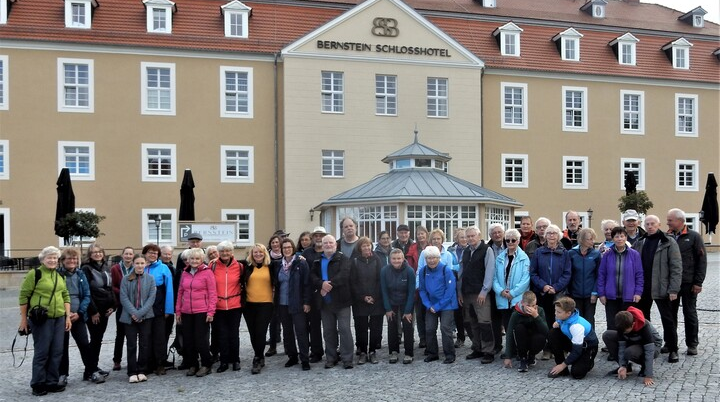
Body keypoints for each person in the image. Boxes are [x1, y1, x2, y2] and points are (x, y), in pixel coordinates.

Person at [18, 246, 72, 396]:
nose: (53, 260)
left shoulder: (60, 276)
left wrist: (67, 317)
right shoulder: (34, 274)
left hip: (59, 318)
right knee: (42, 352)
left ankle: (51, 381)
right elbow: (23, 296)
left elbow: (65, 296)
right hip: (42, 319)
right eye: (50, 257)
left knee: (57, 352)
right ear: (43, 259)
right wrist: (23, 320)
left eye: (55, 258)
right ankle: (38, 383)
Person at [633, 215, 682, 363]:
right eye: (647, 224)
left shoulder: (669, 242)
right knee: (643, 319)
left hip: (662, 288)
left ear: (658, 224)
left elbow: (676, 267)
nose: (650, 226)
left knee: (668, 319)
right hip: (643, 288)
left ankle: (673, 349)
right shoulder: (640, 242)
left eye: (653, 223)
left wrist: (674, 289)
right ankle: (647, 346)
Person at [666, 208, 706, 356]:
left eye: (670, 220)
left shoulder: (694, 237)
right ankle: (670, 343)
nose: (667, 222)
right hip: (671, 283)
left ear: (680, 221)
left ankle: (692, 344)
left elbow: (702, 261)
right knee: (670, 315)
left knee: (689, 313)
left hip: (689, 283)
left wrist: (698, 282)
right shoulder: (667, 236)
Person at [310, 234, 354, 369]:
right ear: (322, 246)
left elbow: (344, 275)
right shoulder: (317, 261)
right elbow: (312, 276)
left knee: (344, 330)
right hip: (325, 302)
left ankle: (347, 358)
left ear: (335, 245)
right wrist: (321, 284)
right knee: (328, 331)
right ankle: (331, 357)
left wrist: (328, 286)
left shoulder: (343, 258)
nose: (328, 245)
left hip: (342, 301)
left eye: (331, 243)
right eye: (326, 243)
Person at [529, 224, 571, 360]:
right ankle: (547, 348)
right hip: (542, 292)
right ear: (545, 236)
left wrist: (556, 287)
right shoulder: (539, 252)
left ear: (558, 236)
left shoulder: (564, 253)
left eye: (554, 233)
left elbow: (567, 273)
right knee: (546, 321)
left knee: (561, 321)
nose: (551, 236)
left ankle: (562, 347)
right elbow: (533, 273)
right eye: (549, 233)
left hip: (559, 292)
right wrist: (544, 286)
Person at [175, 248, 217, 377]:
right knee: (188, 340)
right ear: (188, 260)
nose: (194, 261)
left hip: (202, 311)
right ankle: (193, 364)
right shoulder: (185, 272)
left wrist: (211, 312)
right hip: (186, 311)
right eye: (192, 258)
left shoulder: (207, 272)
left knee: (201, 340)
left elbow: (212, 293)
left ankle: (206, 364)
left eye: (197, 259)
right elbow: (180, 292)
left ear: (201, 260)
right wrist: (178, 311)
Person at [597, 226, 643, 340]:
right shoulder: (607, 254)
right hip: (611, 296)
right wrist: (601, 294)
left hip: (628, 296)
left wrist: (638, 292)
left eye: (622, 236)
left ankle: (626, 346)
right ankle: (612, 348)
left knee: (627, 323)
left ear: (626, 238)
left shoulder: (634, 254)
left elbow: (639, 275)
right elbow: (601, 275)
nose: (619, 239)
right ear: (613, 239)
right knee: (612, 323)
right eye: (616, 236)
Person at [273, 238, 312, 370]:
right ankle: (292, 356)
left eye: (289, 247)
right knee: (287, 332)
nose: (287, 249)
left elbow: (307, 284)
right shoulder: (278, 265)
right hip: (282, 303)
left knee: (301, 331)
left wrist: (307, 302)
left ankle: (305, 358)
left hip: (298, 303)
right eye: (284, 248)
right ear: (282, 250)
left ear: (293, 248)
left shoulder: (301, 263)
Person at [460, 226, 496, 364]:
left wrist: (484, 291)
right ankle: (477, 348)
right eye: (467, 236)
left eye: (472, 236)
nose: (470, 238)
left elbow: (490, 271)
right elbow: (461, 273)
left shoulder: (487, 250)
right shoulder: (466, 251)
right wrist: (460, 292)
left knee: (484, 322)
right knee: (472, 323)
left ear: (479, 236)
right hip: (467, 293)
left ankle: (488, 351)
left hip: (481, 294)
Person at [57, 248, 92, 388]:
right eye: (69, 259)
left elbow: (87, 295)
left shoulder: (81, 274)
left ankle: (91, 370)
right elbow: (57, 296)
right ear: (63, 261)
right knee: (62, 347)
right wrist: (67, 313)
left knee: (84, 344)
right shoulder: (58, 275)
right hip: (62, 316)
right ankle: (62, 374)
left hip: (79, 316)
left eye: (74, 259)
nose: (72, 261)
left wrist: (80, 312)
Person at [119, 254, 157, 384]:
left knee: (144, 344)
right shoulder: (125, 279)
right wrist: (134, 313)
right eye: (137, 263)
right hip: (129, 317)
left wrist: (140, 313)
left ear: (146, 264)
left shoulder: (151, 279)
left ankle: (142, 370)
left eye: (142, 263)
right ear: (133, 264)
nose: (140, 266)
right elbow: (123, 297)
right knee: (131, 344)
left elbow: (151, 298)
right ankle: (132, 371)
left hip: (146, 316)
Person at [418, 246, 458, 364]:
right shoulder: (423, 271)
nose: (431, 260)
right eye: (428, 258)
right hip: (431, 304)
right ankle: (432, 353)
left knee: (445, 328)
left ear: (439, 258)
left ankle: (450, 354)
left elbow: (450, 291)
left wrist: (438, 306)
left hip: (447, 304)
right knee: (429, 328)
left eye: (434, 258)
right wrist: (428, 304)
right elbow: (422, 290)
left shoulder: (446, 270)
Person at [603, 306, 661, 387]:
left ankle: (644, 367)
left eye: (626, 331)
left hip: (652, 346)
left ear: (633, 324)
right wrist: (623, 366)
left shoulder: (644, 326)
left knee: (629, 352)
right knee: (607, 335)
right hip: (633, 341)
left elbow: (649, 351)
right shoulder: (622, 324)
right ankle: (626, 368)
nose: (624, 333)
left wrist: (648, 376)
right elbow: (622, 347)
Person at [81, 243, 114, 382]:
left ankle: (92, 367)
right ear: (89, 255)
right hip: (94, 310)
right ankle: (90, 369)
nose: (97, 254)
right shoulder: (86, 268)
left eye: (99, 251)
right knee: (94, 340)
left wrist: (113, 306)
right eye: (94, 252)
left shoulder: (106, 267)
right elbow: (86, 291)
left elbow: (110, 288)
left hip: (105, 309)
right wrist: (93, 311)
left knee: (98, 340)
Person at [241, 243, 277, 374]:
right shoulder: (247, 267)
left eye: (260, 252)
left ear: (265, 253)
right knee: (252, 333)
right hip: (249, 304)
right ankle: (259, 355)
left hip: (266, 304)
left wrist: (300, 258)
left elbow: (287, 261)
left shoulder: (272, 266)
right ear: (251, 254)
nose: (258, 254)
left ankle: (257, 358)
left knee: (260, 332)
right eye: (255, 252)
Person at [210, 241, 243, 373]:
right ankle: (224, 361)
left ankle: (235, 360)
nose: (225, 253)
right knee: (222, 335)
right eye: (222, 251)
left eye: (227, 251)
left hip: (235, 305)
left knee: (234, 334)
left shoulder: (239, 266)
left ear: (232, 252)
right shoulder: (212, 265)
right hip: (218, 306)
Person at [350, 237, 384, 365]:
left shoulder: (377, 260)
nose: (366, 248)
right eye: (363, 246)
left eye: (368, 245)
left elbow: (380, 280)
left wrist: (373, 296)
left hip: (376, 299)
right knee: (361, 327)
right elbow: (353, 282)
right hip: (360, 300)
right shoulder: (355, 261)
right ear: (360, 248)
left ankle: (372, 351)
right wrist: (363, 297)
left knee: (375, 327)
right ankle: (363, 352)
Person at [141, 244, 174, 375]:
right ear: (145, 253)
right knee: (145, 337)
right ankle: (147, 363)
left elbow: (169, 290)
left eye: (155, 253)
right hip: (144, 309)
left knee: (159, 337)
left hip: (159, 308)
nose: (153, 255)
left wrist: (168, 309)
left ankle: (160, 363)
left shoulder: (164, 268)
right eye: (150, 252)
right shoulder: (140, 267)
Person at [492, 229, 530, 341]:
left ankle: (520, 350)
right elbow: (494, 278)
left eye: (513, 240)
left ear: (518, 241)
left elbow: (525, 279)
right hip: (503, 297)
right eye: (507, 240)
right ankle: (510, 350)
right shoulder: (499, 258)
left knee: (519, 327)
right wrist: (501, 291)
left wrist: (512, 293)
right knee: (507, 325)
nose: (510, 242)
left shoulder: (524, 258)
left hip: (517, 298)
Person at [547, 297, 598, 379]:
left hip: (586, 347)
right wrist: (558, 322)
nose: (555, 313)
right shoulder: (566, 317)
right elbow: (563, 322)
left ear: (568, 313)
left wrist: (563, 365)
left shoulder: (576, 326)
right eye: (555, 310)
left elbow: (577, 350)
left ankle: (589, 362)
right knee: (552, 333)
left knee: (577, 373)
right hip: (573, 341)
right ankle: (561, 367)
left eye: (559, 312)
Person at [380, 249, 415, 364]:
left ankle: (409, 353)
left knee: (407, 326)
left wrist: (408, 310)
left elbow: (411, 292)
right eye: (394, 259)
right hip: (391, 301)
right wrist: (388, 308)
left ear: (403, 258)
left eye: (399, 258)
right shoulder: (384, 271)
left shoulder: (409, 271)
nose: (396, 261)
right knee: (392, 327)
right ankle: (393, 351)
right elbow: (383, 291)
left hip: (406, 301)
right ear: (390, 260)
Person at [502, 291, 548, 372]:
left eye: (533, 305)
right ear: (522, 303)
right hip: (522, 339)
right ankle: (523, 357)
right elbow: (509, 333)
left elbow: (546, 331)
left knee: (541, 337)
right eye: (528, 306)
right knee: (519, 328)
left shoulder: (540, 310)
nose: (531, 308)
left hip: (535, 337)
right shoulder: (516, 314)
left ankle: (531, 355)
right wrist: (508, 356)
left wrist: (536, 317)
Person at [301, 226, 327, 363]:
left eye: (321, 235)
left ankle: (333, 350)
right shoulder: (306, 253)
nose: (319, 238)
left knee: (330, 325)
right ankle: (316, 352)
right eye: (316, 235)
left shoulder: (329, 251)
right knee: (314, 325)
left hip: (327, 292)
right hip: (311, 294)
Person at [568, 228, 601, 329]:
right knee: (577, 319)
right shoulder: (571, 253)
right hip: (575, 293)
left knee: (589, 318)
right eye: (589, 239)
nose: (592, 242)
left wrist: (595, 292)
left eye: (593, 239)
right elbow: (569, 274)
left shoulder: (596, 254)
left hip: (590, 294)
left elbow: (598, 275)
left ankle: (591, 342)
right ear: (582, 240)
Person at [110, 247, 134, 371]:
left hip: (134, 306)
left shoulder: (136, 268)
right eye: (126, 254)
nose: (128, 256)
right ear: (122, 255)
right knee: (120, 334)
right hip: (121, 305)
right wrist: (123, 293)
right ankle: (117, 360)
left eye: (130, 254)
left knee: (133, 334)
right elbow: (112, 286)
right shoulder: (115, 269)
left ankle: (133, 359)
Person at [406, 225, 429, 348]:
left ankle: (431, 337)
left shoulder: (432, 246)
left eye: (422, 233)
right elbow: (410, 267)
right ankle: (423, 338)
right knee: (419, 314)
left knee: (430, 313)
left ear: (426, 234)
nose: (420, 236)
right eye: (418, 234)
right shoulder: (413, 248)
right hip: (417, 285)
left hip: (430, 284)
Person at [447, 227, 470, 347]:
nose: (464, 239)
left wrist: (457, 267)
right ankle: (460, 337)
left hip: (468, 284)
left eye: (466, 237)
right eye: (462, 237)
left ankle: (474, 338)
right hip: (455, 285)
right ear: (457, 238)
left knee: (470, 312)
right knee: (458, 313)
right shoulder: (450, 251)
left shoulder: (472, 250)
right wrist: (458, 267)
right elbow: (449, 267)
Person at [265, 234, 283, 356]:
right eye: (273, 243)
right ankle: (272, 346)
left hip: (284, 290)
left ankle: (288, 345)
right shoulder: (267, 258)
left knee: (286, 320)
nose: (275, 245)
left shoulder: (287, 256)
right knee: (273, 320)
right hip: (272, 291)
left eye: (277, 242)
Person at [159, 245, 175, 368]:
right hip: (160, 307)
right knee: (159, 334)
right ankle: (158, 360)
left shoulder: (172, 267)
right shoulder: (160, 267)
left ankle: (163, 358)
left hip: (170, 307)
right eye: (165, 254)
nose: (167, 256)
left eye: (169, 254)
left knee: (166, 333)